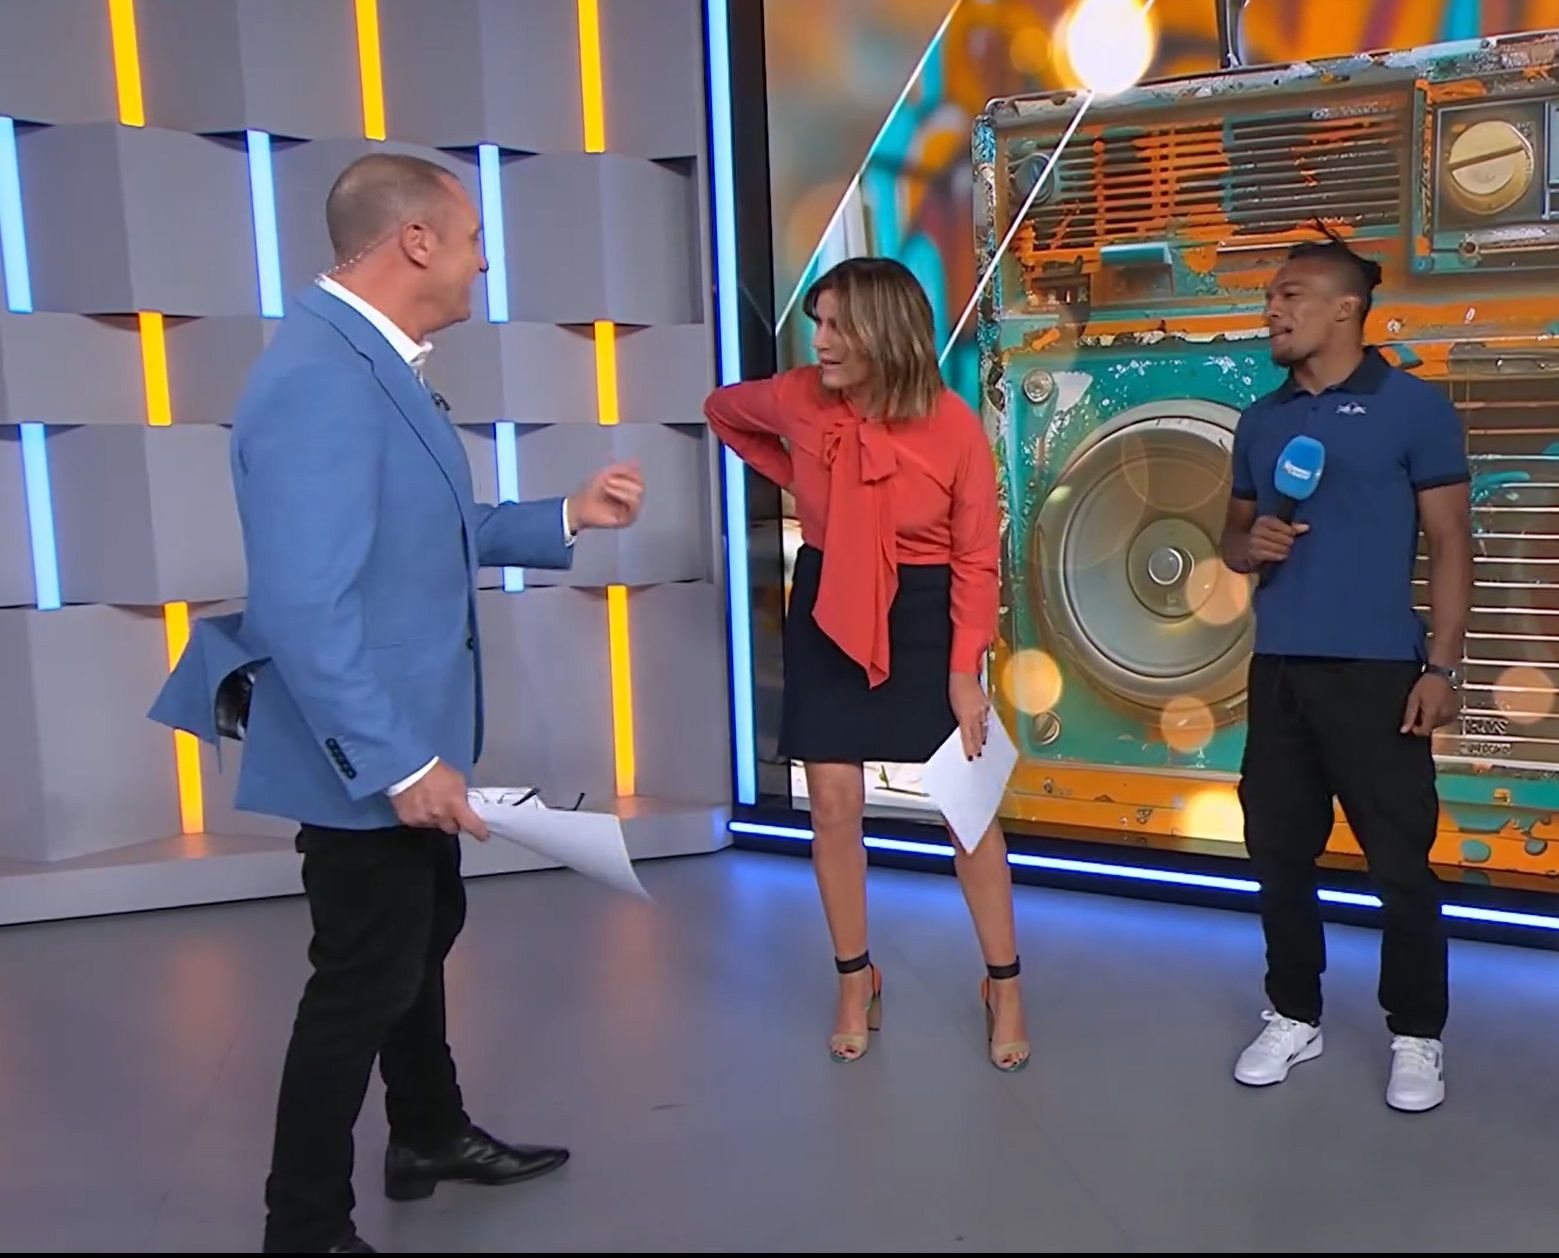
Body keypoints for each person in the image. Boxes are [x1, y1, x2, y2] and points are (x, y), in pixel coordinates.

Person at [150, 153, 645, 1255]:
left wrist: (566, 516)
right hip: (372, 752)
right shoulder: (320, 380)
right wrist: (399, 764)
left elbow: (432, 531)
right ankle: (304, 1226)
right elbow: (306, 606)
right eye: (473, 239)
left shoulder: (369, 361)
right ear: (415, 241)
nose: (483, 263)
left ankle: (426, 1132)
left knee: (418, 941)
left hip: (411, 739)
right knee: (362, 976)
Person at [703, 257, 1029, 1071]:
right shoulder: (797, 398)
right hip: (831, 601)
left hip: (927, 614)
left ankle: (1003, 984)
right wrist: (808, 483)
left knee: (967, 810)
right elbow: (723, 411)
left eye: (836, 325)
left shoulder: (952, 424)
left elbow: (976, 561)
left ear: (885, 331)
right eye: (817, 322)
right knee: (834, 803)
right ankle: (856, 980)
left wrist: (963, 673)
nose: (819, 341)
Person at [1218, 237, 1472, 1113]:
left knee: (1399, 865)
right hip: (1278, 671)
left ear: (1344, 307)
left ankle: (1416, 1033)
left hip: (1379, 675)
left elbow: (1450, 542)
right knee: (1277, 852)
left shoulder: (1415, 409)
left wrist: (1442, 665)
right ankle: (1294, 1012)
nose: (1271, 311)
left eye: (1289, 295)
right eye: (1269, 297)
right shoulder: (1261, 419)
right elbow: (1230, 537)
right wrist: (1247, 545)